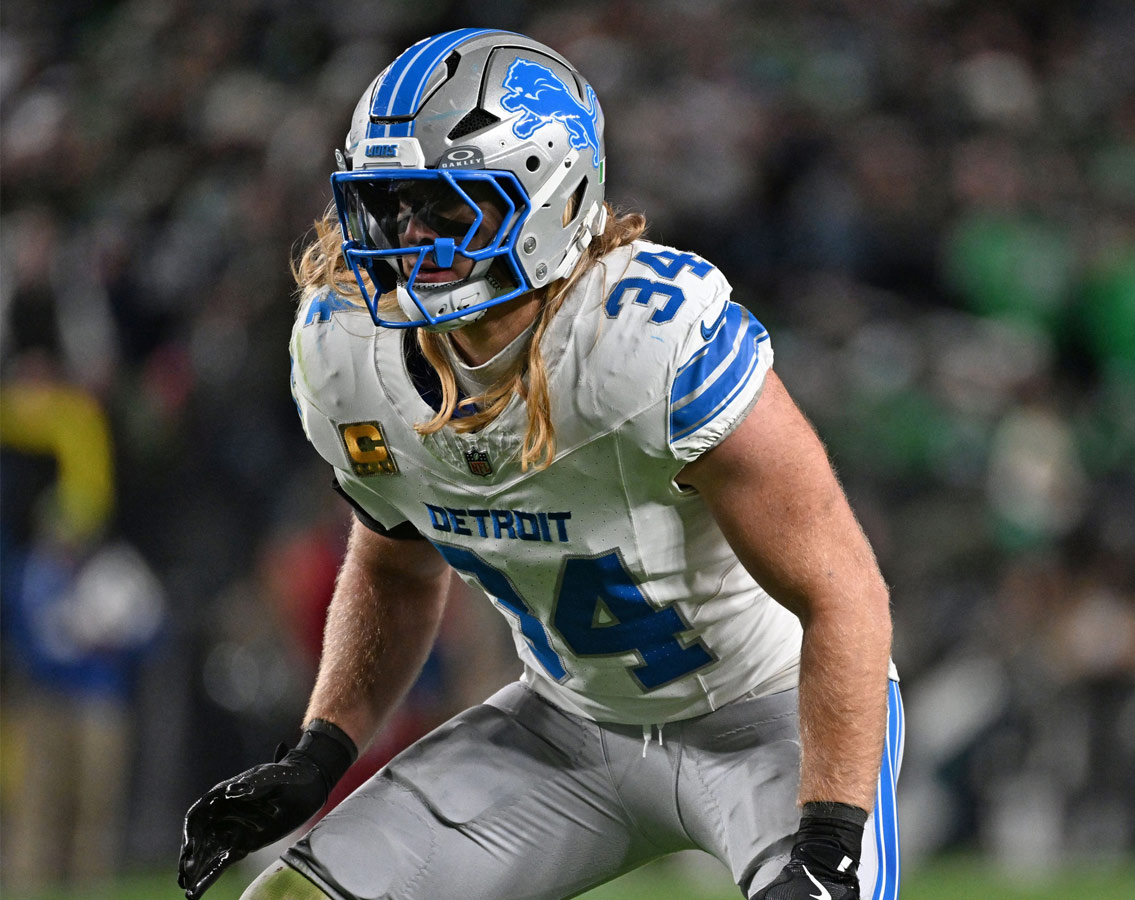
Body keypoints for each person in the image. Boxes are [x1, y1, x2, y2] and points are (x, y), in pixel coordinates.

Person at [178, 28, 900, 900]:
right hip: (566, 725)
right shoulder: (345, 355)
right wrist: (320, 749)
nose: (409, 240)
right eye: (393, 205)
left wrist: (827, 846)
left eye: (448, 209)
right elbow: (393, 567)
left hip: (769, 721)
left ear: (553, 199)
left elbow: (843, 592)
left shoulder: (645, 343)